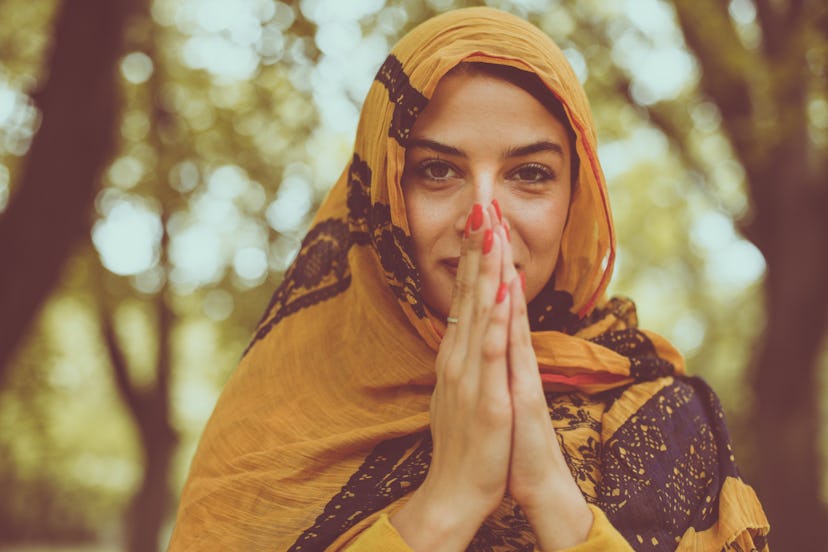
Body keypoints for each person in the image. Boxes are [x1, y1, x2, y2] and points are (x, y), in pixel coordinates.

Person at [168, 7, 769, 551]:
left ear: (575, 202)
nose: (484, 219)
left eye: (530, 173)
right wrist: (448, 501)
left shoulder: (661, 413)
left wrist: (552, 496)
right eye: (436, 170)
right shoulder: (277, 427)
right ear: (383, 196)